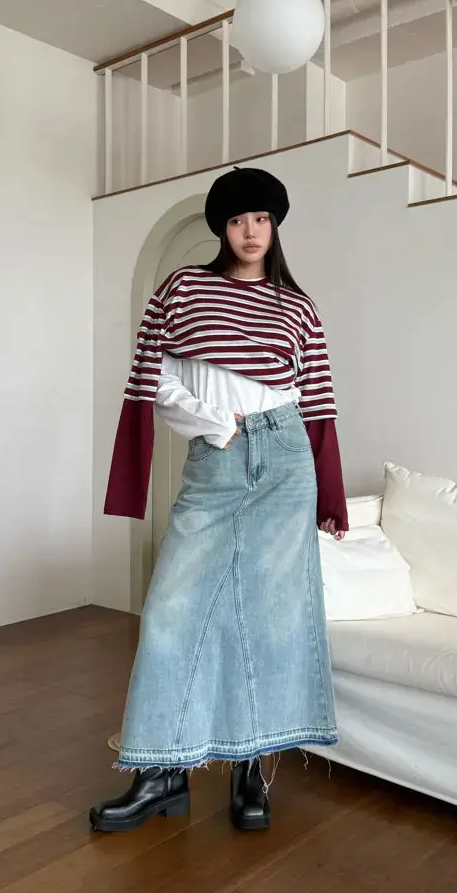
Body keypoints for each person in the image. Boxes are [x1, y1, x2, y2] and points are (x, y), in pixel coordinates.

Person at [90, 166, 347, 834]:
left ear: (275, 225)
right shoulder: (184, 289)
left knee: (267, 619)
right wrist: (217, 425)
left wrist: (331, 496)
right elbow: (155, 377)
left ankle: (248, 770)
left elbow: (317, 402)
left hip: (286, 461)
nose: (250, 231)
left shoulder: (298, 307)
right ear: (221, 229)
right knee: (171, 611)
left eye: (261, 219)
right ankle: (160, 773)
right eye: (237, 220)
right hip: (217, 459)